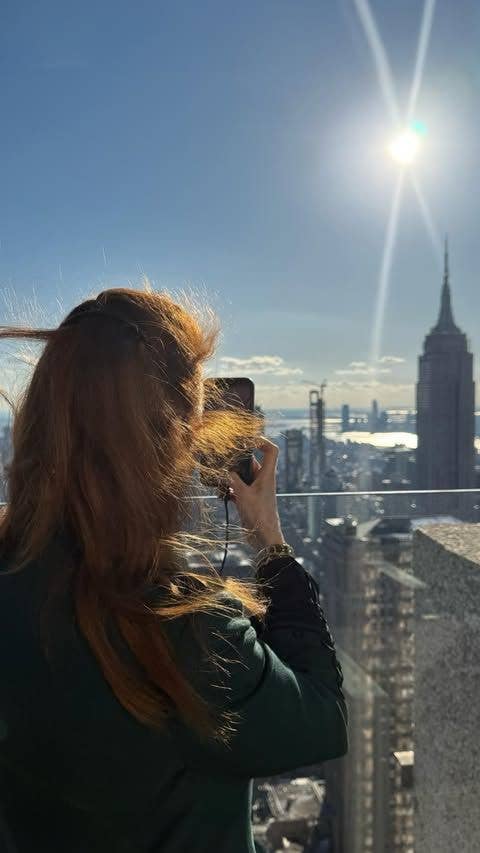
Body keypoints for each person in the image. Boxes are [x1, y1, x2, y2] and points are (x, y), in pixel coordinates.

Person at [0, 289, 348, 852]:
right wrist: (270, 542)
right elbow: (322, 720)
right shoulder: (181, 627)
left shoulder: (12, 576)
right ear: (171, 444)